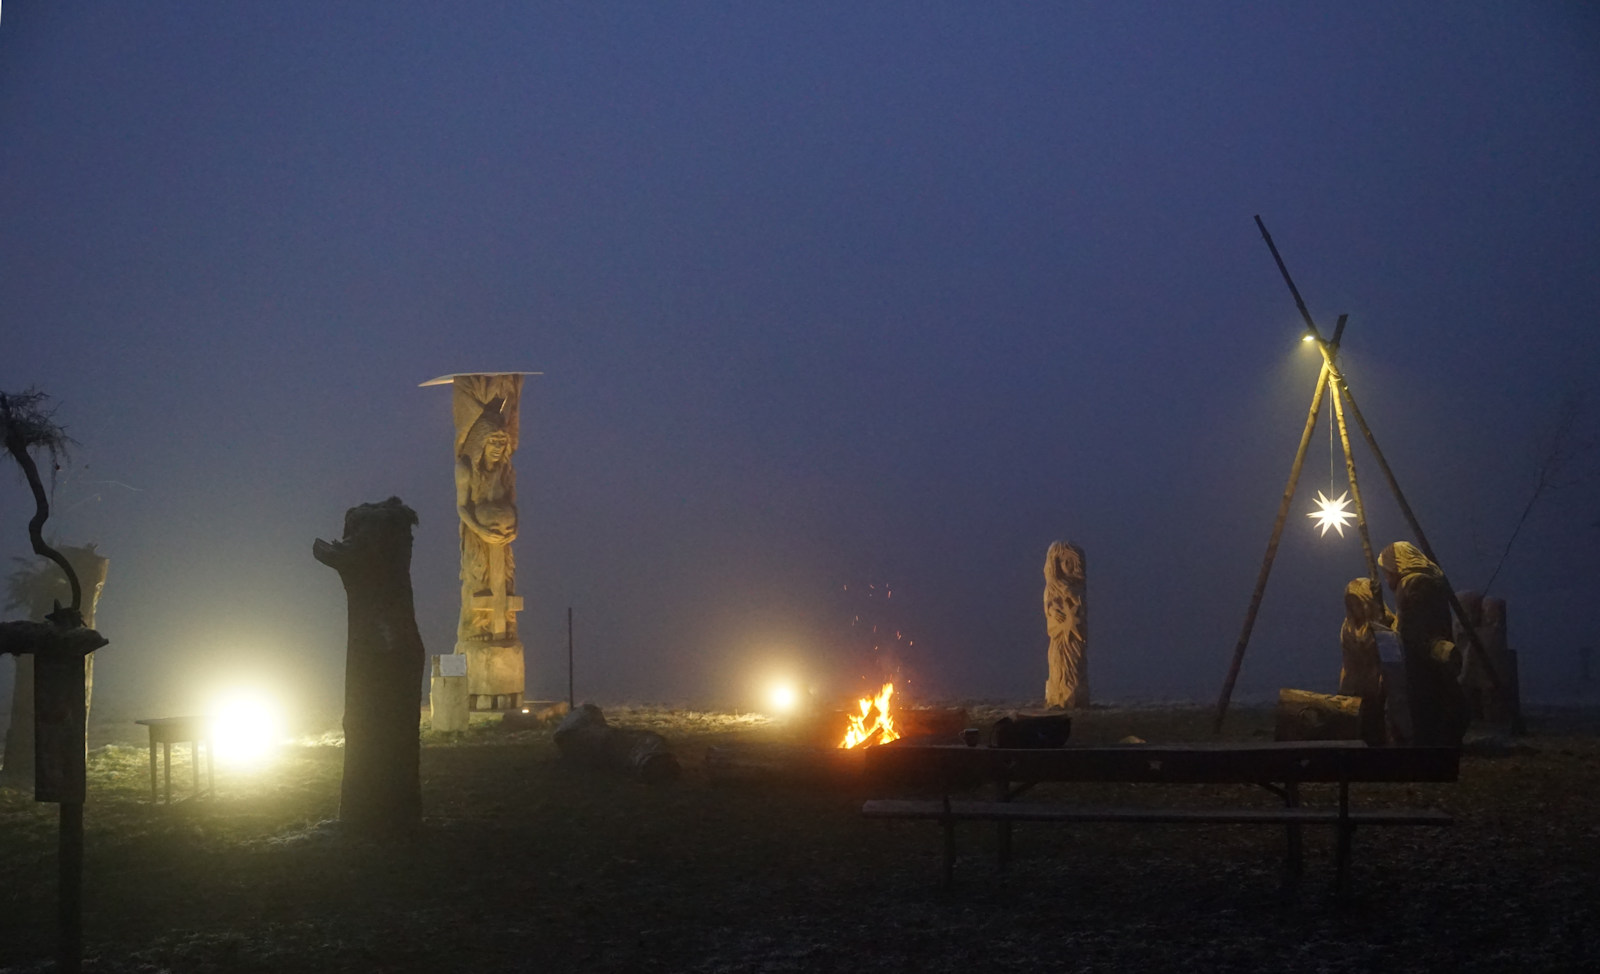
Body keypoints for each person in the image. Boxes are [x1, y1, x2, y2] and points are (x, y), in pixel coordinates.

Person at [1378, 542, 1469, 746]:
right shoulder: (1428, 581)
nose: (1386, 579)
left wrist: (1395, 634)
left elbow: (1414, 627)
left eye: (1387, 572)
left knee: (1426, 709)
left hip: (1422, 662)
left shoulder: (1414, 583)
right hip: (1427, 658)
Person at [1338, 577, 1392, 745]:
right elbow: (1348, 662)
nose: (1356, 608)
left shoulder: (1385, 622)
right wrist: (1344, 691)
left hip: (1381, 689)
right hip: (1358, 688)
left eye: (1358, 603)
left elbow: (1391, 657)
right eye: (1351, 604)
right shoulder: (1348, 628)